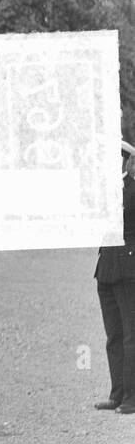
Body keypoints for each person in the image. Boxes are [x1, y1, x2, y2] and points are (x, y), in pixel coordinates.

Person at [95, 142, 135, 415]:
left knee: (131, 334)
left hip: (129, 267)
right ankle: (117, 393)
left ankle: (131, 397)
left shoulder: (131, 189)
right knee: (114, 336)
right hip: (106, 267)